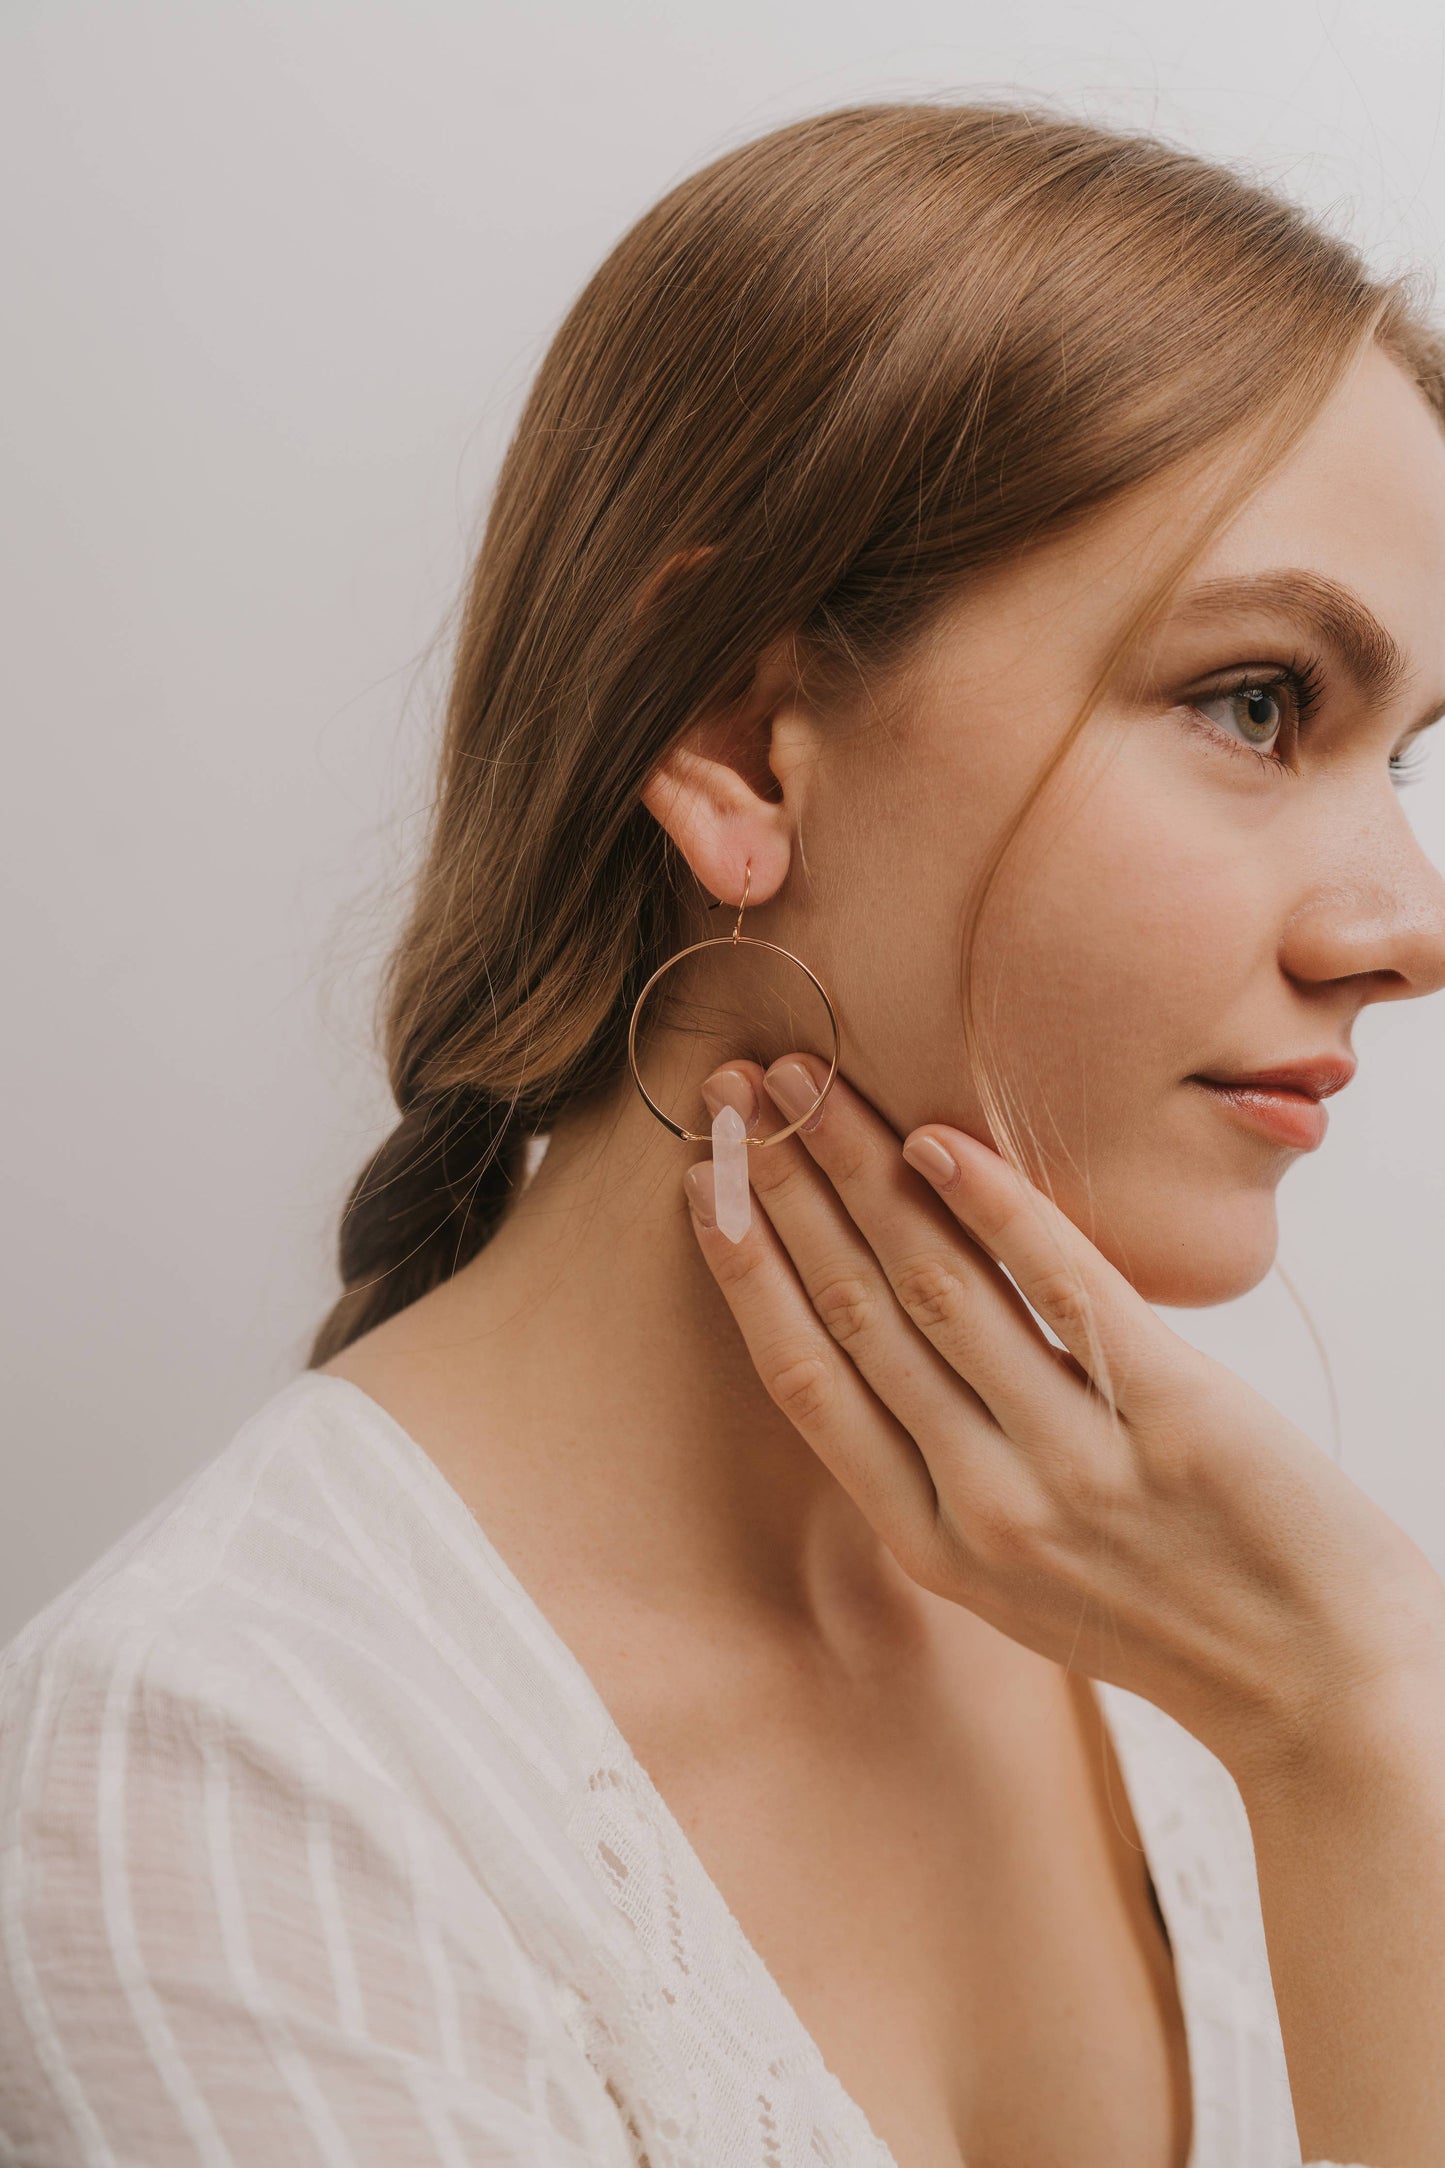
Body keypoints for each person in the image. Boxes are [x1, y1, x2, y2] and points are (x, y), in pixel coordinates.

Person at [4, 96, 1445, 2168]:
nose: (1407, 924)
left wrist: (1360, 1734)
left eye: (1407, 755)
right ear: (730, 741)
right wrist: (1353, 1728)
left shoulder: (1222, 1615)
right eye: (1255, 702)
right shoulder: (220, 1776)